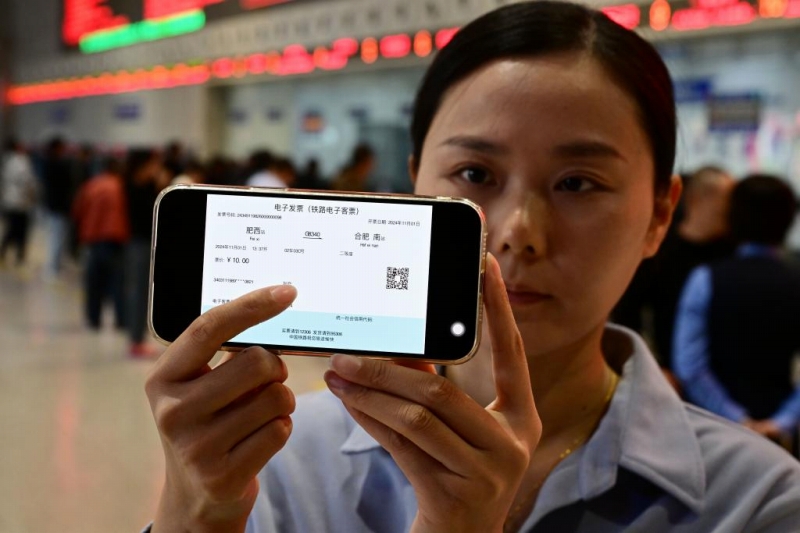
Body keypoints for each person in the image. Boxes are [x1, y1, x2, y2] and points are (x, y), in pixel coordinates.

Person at [142, 3, 800, 533]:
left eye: (578, 183)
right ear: (414, 190)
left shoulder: (760, 500)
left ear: (660, 213)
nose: (519, 234)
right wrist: (193, 512)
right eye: (475, 174)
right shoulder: (281, 454)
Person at [674, 175, 800, 443]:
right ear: (789, 220)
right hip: (781, 433)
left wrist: (737, 419)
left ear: (732, 216)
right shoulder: (794, 280)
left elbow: (690, 367)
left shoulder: (705, 278)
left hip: (712, 433)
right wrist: (781, 422)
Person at [613, 166, 735, 376]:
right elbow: (629, 313)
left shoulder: (731, 253)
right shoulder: (658, 251)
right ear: (696, 200)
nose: (731, 211)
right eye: (724, 204)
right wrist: (653, 368)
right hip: (667, 372)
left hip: (719, 376)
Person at [71, 158, 129, 329]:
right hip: (116, 238)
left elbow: (77, 211)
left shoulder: (91, 185)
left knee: (94, 282)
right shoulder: (121, 186)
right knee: (118, 283)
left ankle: (93, 319)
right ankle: (121, 319)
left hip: (94, 239)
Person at [126, 148, 169, 357]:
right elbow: (149, 216)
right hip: (139, 245)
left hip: (143, 244)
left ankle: (137, 338)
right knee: (140, 293)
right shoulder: (134, 187)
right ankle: (135, 340)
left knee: (143, 293)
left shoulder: (142, 185)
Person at [0, 138, 38, 266]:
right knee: (19, 230)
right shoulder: (22, 162)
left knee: (11, 228)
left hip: (9, 201)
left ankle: (7, 252)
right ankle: (19, 256)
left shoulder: (8, 160)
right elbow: (28, 182)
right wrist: (32, 196)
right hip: (20, 202)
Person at [41, 136, 74, 278]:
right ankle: (53, 268)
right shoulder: (55, 165)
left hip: (54, 206)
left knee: (56, 237)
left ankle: (55, 265)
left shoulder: (50, 163)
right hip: (57, 207)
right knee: (56, 238)